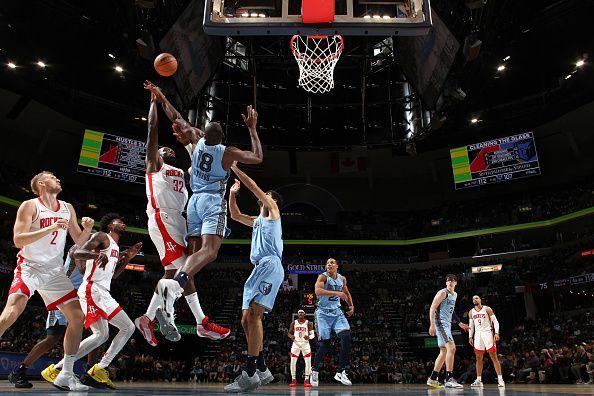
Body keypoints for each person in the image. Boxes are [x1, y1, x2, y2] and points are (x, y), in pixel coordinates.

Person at [145, 81, 264, 331]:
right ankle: (175, 286)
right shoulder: (228, 152)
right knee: (210, 252)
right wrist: (252, 129)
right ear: (221, 138)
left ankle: (179, 294)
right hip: (211, 202)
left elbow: (175, 116)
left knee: (193, 254)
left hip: (194, 203)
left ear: (203, 133)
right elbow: (257, 157)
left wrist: (161, 96)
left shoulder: (196, 139)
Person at [134, 88, 229, 346]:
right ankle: (189, 319)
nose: (168, 150)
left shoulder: (182, 169)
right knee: (184, 269)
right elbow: (154, 130)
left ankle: (147, 318)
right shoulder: (155, 166)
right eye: (165, 148)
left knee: (177, 270)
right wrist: (156, 101)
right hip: (162, 218)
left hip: (181, 218)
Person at [0, 171, 94, 391]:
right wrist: (50, 228)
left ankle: (66, 374)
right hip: (30, 267)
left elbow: (78, 242)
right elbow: (18, 239)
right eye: (53, 177)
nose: (58, 179)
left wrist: (87, 230)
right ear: (41, 184)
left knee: (77, 317)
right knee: (13, 310)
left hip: (54, 272)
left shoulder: (67, 207)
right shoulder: (30, 205)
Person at [42, 213, 141, 389]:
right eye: (119, 221)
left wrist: (127, 260)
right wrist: (96, 257)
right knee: (120, 329)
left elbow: (113, 275)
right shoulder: (102, 236)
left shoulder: (116, 247)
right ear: (110, 225)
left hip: (103, 291)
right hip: (91, 289)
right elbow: (78, 252)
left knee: (110, 332)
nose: (123, 223)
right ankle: (94, 368)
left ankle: (60, 369)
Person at [224, 165, 284, 393]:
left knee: (255, 314)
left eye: (267, 194)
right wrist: (232, 194)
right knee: (245, 319)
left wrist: (234, 168)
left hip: (270, 264)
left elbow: (253, 186)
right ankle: (261, 367)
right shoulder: (257, 220)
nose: (264, 195)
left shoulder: (273, 211)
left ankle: (249, 373)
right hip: (259, 267)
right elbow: (235, 215)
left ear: (272, 200)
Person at [9, 243, 101, 389]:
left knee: (97, 333)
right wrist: (98, 257)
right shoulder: (77, 248)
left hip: (79, 298)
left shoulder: (95, 256)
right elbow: (80, 262)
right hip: (61, 295)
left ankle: (89, 373)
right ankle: (20, 370)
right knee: (52, 337)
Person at [310, 258, 355, 387]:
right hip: (322, 314)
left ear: (337, 266)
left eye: (332, 263)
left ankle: (340, 371)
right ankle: (315, 370)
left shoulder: (342, 279)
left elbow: (346, 292)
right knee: (325, 344)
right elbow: (318, 291)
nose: (329, 264)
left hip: (337, 312)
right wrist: (336, 292)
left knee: (346, 337)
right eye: (327, 263)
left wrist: (351, 306)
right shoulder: (322, 277)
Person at [426, 274, 469, 389]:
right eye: (448, 280)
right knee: (452, 347)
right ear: (446, 283)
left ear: (456, 283)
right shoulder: (442, 293)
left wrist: (459, 323)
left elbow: (452, 311)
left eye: (453, 280)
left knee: (444, 351)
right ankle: (449, 379)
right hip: (440, 322)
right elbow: (432, 307)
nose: (450, 282)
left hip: (447, 323)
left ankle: (433, 378)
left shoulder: (454, 295)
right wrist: (432, 324)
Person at [468, 295, 505, 388]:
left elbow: (495, 322)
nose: (474, 300)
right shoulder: (471, 312)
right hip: (478, 334)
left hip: (488, 332)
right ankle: (479, 380)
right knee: (478, 358)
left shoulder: (487, 309)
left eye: (476, 298)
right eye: (473, 299)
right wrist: (470, 337)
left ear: (480, 300)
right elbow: (471, 325)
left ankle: (500, 380)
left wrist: (496, 333)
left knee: (493, 356)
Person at [288, 309, 314, 387]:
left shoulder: (308, 323)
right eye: (299, 313)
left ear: (304, 314)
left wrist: (309, 337)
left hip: (305, 344)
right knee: (292, 362)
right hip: (296, 344)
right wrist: (291, 336)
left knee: (308, 362)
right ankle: (293, 380)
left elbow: (313, 335)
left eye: (302, 313)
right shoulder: (294, 323)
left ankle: (306, 380)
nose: (300, 314)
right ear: (297, 314)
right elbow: (289, 333)